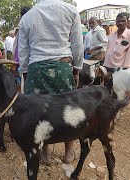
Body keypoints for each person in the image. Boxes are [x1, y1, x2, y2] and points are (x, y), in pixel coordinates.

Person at [19, 0, 83, 165]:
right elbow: (77, 43)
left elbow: (23, 51)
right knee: (68, 109)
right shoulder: (71, 10)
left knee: (40, 113)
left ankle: (45, 154)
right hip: (62, 66)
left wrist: (25, 74)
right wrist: (76, 68)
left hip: (36, 69)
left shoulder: (27, 17)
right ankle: (69, 152)